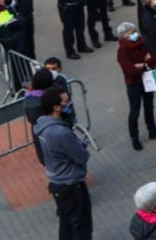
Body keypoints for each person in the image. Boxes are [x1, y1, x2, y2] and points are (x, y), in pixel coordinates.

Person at [34, 86, 93, 240]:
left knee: (67, 224)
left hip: (57, 183)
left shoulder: (42, 124)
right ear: (56, 107)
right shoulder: (60, 133)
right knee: (81, 227)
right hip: (72, 186)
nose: (70, 103)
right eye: (66, 101)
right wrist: (80, 145)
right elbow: (82, 156)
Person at [115, 22, 156, 151]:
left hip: (147, 80)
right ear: (124, 36)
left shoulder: (141, 43)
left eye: (134, 31)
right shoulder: (122, 51)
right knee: (135, 110)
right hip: (134, 84)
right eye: (130, 32)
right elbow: (131, 71)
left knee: (149, 106)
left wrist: (141, 65)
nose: (134, 34)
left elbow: (152, 59)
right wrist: (145, 63)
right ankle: (135, 138)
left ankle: (152, 130)